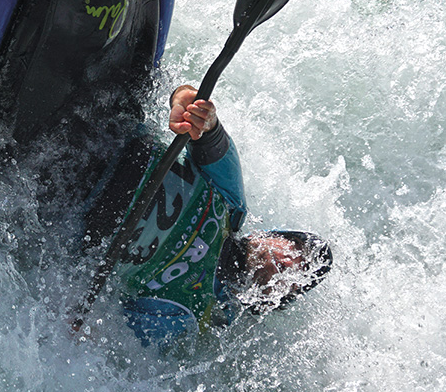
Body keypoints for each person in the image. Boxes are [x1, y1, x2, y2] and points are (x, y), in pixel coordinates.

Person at [83, 84, 333, 346]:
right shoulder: (231, 203)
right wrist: (190, 107)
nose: (291, 264)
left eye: (301, 275)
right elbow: (204, 127)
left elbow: (107, 331)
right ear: (271, 236)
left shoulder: (189, 313)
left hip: (67, 207)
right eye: (296, 249)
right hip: (106, 133)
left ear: (271, 299)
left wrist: (86, 334)